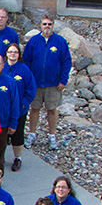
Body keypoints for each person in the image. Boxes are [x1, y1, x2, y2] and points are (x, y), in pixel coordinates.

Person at [23, 14, 70, 149]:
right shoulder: (33, 42)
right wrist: (28, 80)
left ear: (53, 25)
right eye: (44, 24)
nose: (47, 27)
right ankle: (32, 133)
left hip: (53, 83)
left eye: (49, 24)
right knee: (34, 108)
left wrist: (63, 80)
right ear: (40, 25)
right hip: (36, 83)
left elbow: (66, 61)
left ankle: (52, 135)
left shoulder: (60, 41)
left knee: (52, 109)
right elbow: (27, 61)